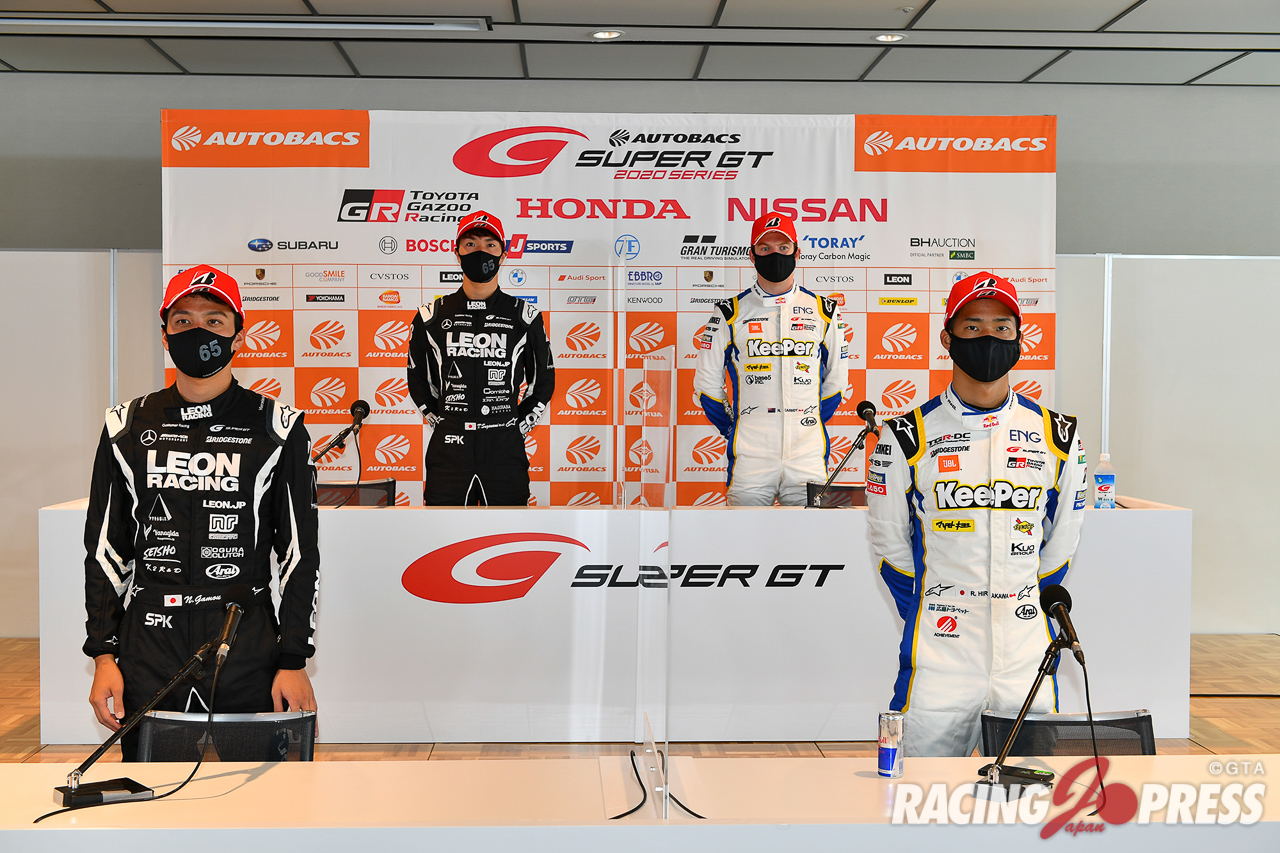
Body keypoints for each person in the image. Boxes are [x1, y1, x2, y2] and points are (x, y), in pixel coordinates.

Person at [84, 265, 319, 759]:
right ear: (165, 334)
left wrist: (294, 659)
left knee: (268, 795)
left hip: (245, 641)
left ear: (239, 335)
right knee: (151, 791)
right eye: (184, 321)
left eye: (214, 321)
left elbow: (299, 555)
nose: (199, 332)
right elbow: (106, 550)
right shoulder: (126, 426)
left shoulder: (278, 427)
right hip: (149, 644)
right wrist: (104, 654)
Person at [866, 271, 1088, 757]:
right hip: (940, 654)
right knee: (917, 789)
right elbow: (888, 546)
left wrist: (1021, 606)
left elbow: (1061, 545)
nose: (988, 337)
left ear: (1020, 339)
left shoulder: (1059, 436)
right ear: (947, 338)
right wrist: (931, 610)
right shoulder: (904, 435)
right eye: (973, 326)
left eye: (1002, 327)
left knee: (1030, 789)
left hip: (1025, 650)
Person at [693, 211, 849, 506]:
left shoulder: (825, 310)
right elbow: (706, 383)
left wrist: (809, 421)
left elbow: (837, 380)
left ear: (796, 253)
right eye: (765, 248)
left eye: (783, 247)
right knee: (745, 535)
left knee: (812, 535)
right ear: (752, 255)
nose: (775, 254)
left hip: (807, 455)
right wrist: (733, 427)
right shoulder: (729, 312)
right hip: (750, 456)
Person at [407, 211, 555, 505]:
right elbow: (418, 380)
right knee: (442, 531)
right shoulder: (430, 316)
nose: (481, 251)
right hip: (449, 450)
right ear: (457, 253)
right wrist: (444, 422)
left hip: (504, 448)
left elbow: (542, 382)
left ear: (503, 254)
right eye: (471, 244)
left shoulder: (525, 316)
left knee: (508, 531)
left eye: (490, 244)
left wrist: (515, 426)